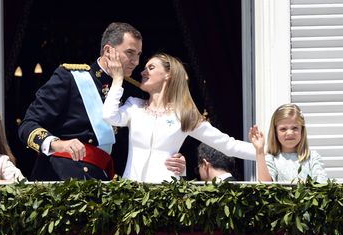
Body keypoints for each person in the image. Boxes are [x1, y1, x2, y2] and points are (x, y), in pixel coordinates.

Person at [18, 22, 186, 181]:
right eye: (130, 53)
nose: (136, 62)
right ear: (108, 51)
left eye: (138, 55)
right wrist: (57, 144)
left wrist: (173, 158)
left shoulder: (134, 91)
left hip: (107, 184)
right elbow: (28, 125)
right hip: (61, 179)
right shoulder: (71, 78)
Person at [102, 52, 256, 183]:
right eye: (144, 69)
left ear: (168, 75)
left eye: (151, 67)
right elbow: (110, 116)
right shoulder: (134, 106)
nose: (143, 72)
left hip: (166, 196)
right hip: (133, 195)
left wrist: (267, 152)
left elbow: (228, 145)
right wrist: (117, 80)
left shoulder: (183, 114)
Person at [249, 103, 328, 183]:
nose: (290, 133)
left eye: (295, 128)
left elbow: (322, 186)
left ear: (302, 130)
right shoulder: (271, 159)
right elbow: (265, 186)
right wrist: (259, 151)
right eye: (283, 129)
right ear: (275, 132)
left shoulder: (312, 158)